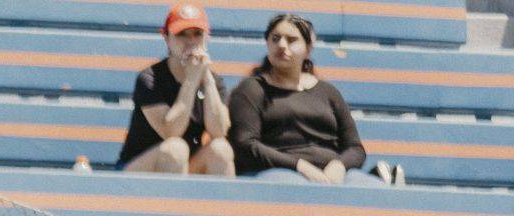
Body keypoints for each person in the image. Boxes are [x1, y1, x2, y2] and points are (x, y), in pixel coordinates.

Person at [229, 14, 384, 182]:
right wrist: (299, 166)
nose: (281, 45)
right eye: (275, 38)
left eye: (291, 40)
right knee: (293, 186)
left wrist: (339, 165)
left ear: (308, 49)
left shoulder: (328, 92)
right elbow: (245, 145)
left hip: (332, 174)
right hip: (279, 171)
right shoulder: (251, 89)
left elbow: (355, 149)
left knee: (370, 187)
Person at [120, 4, 234, 175]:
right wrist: (192, 80)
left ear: (207, 37)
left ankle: (223, 203)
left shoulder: (215, 81)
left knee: (221, 149)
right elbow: (171, 132)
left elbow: (219, 131)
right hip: (138, 169)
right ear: (166, 37)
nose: (191, 41)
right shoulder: (150, 78)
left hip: (185, 167)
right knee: (175, 149)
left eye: (197, 34)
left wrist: (207, 79)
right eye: (182, 34)